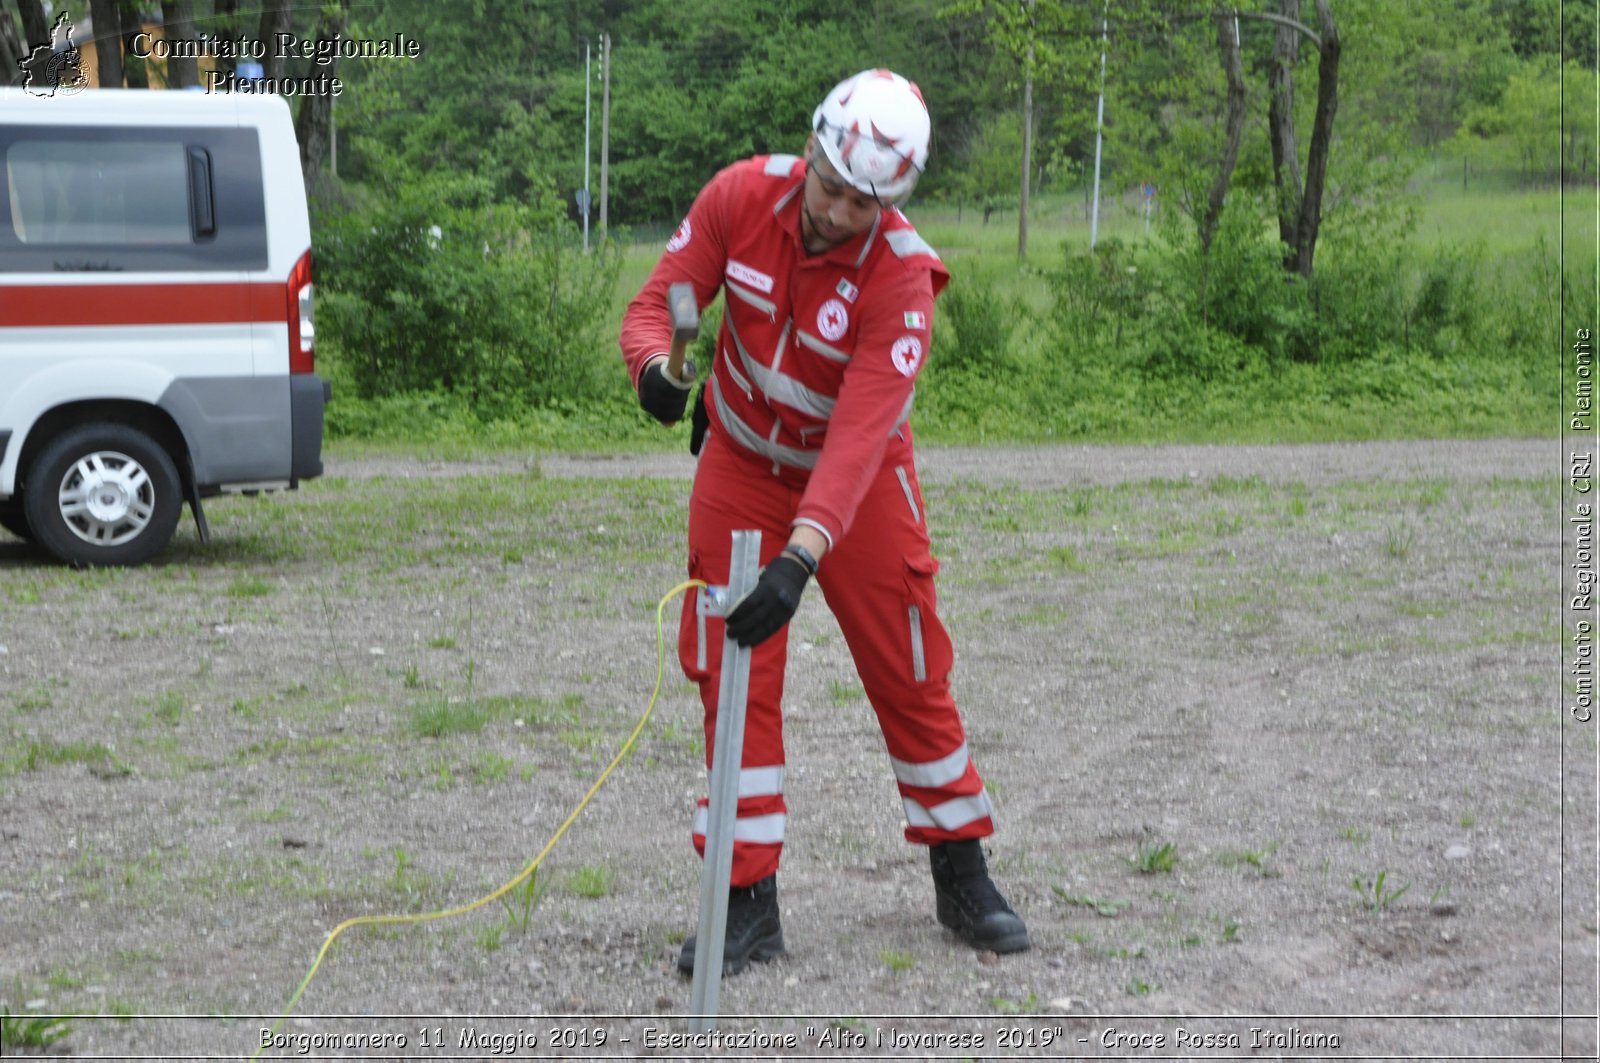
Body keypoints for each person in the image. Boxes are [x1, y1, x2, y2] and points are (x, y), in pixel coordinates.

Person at [619, 68, 1030, 976]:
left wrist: (800, 558)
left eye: (864, 202)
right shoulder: (739, 194)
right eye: (833, 186)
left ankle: (960, 868)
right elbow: (658, 303)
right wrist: (654, 368)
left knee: (910, 663)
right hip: (738, 462)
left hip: (859, 481)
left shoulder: (903, 278)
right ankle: (745, 901)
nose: (840, 212)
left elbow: (854, 442)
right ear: (813, 149)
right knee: (733, 676)